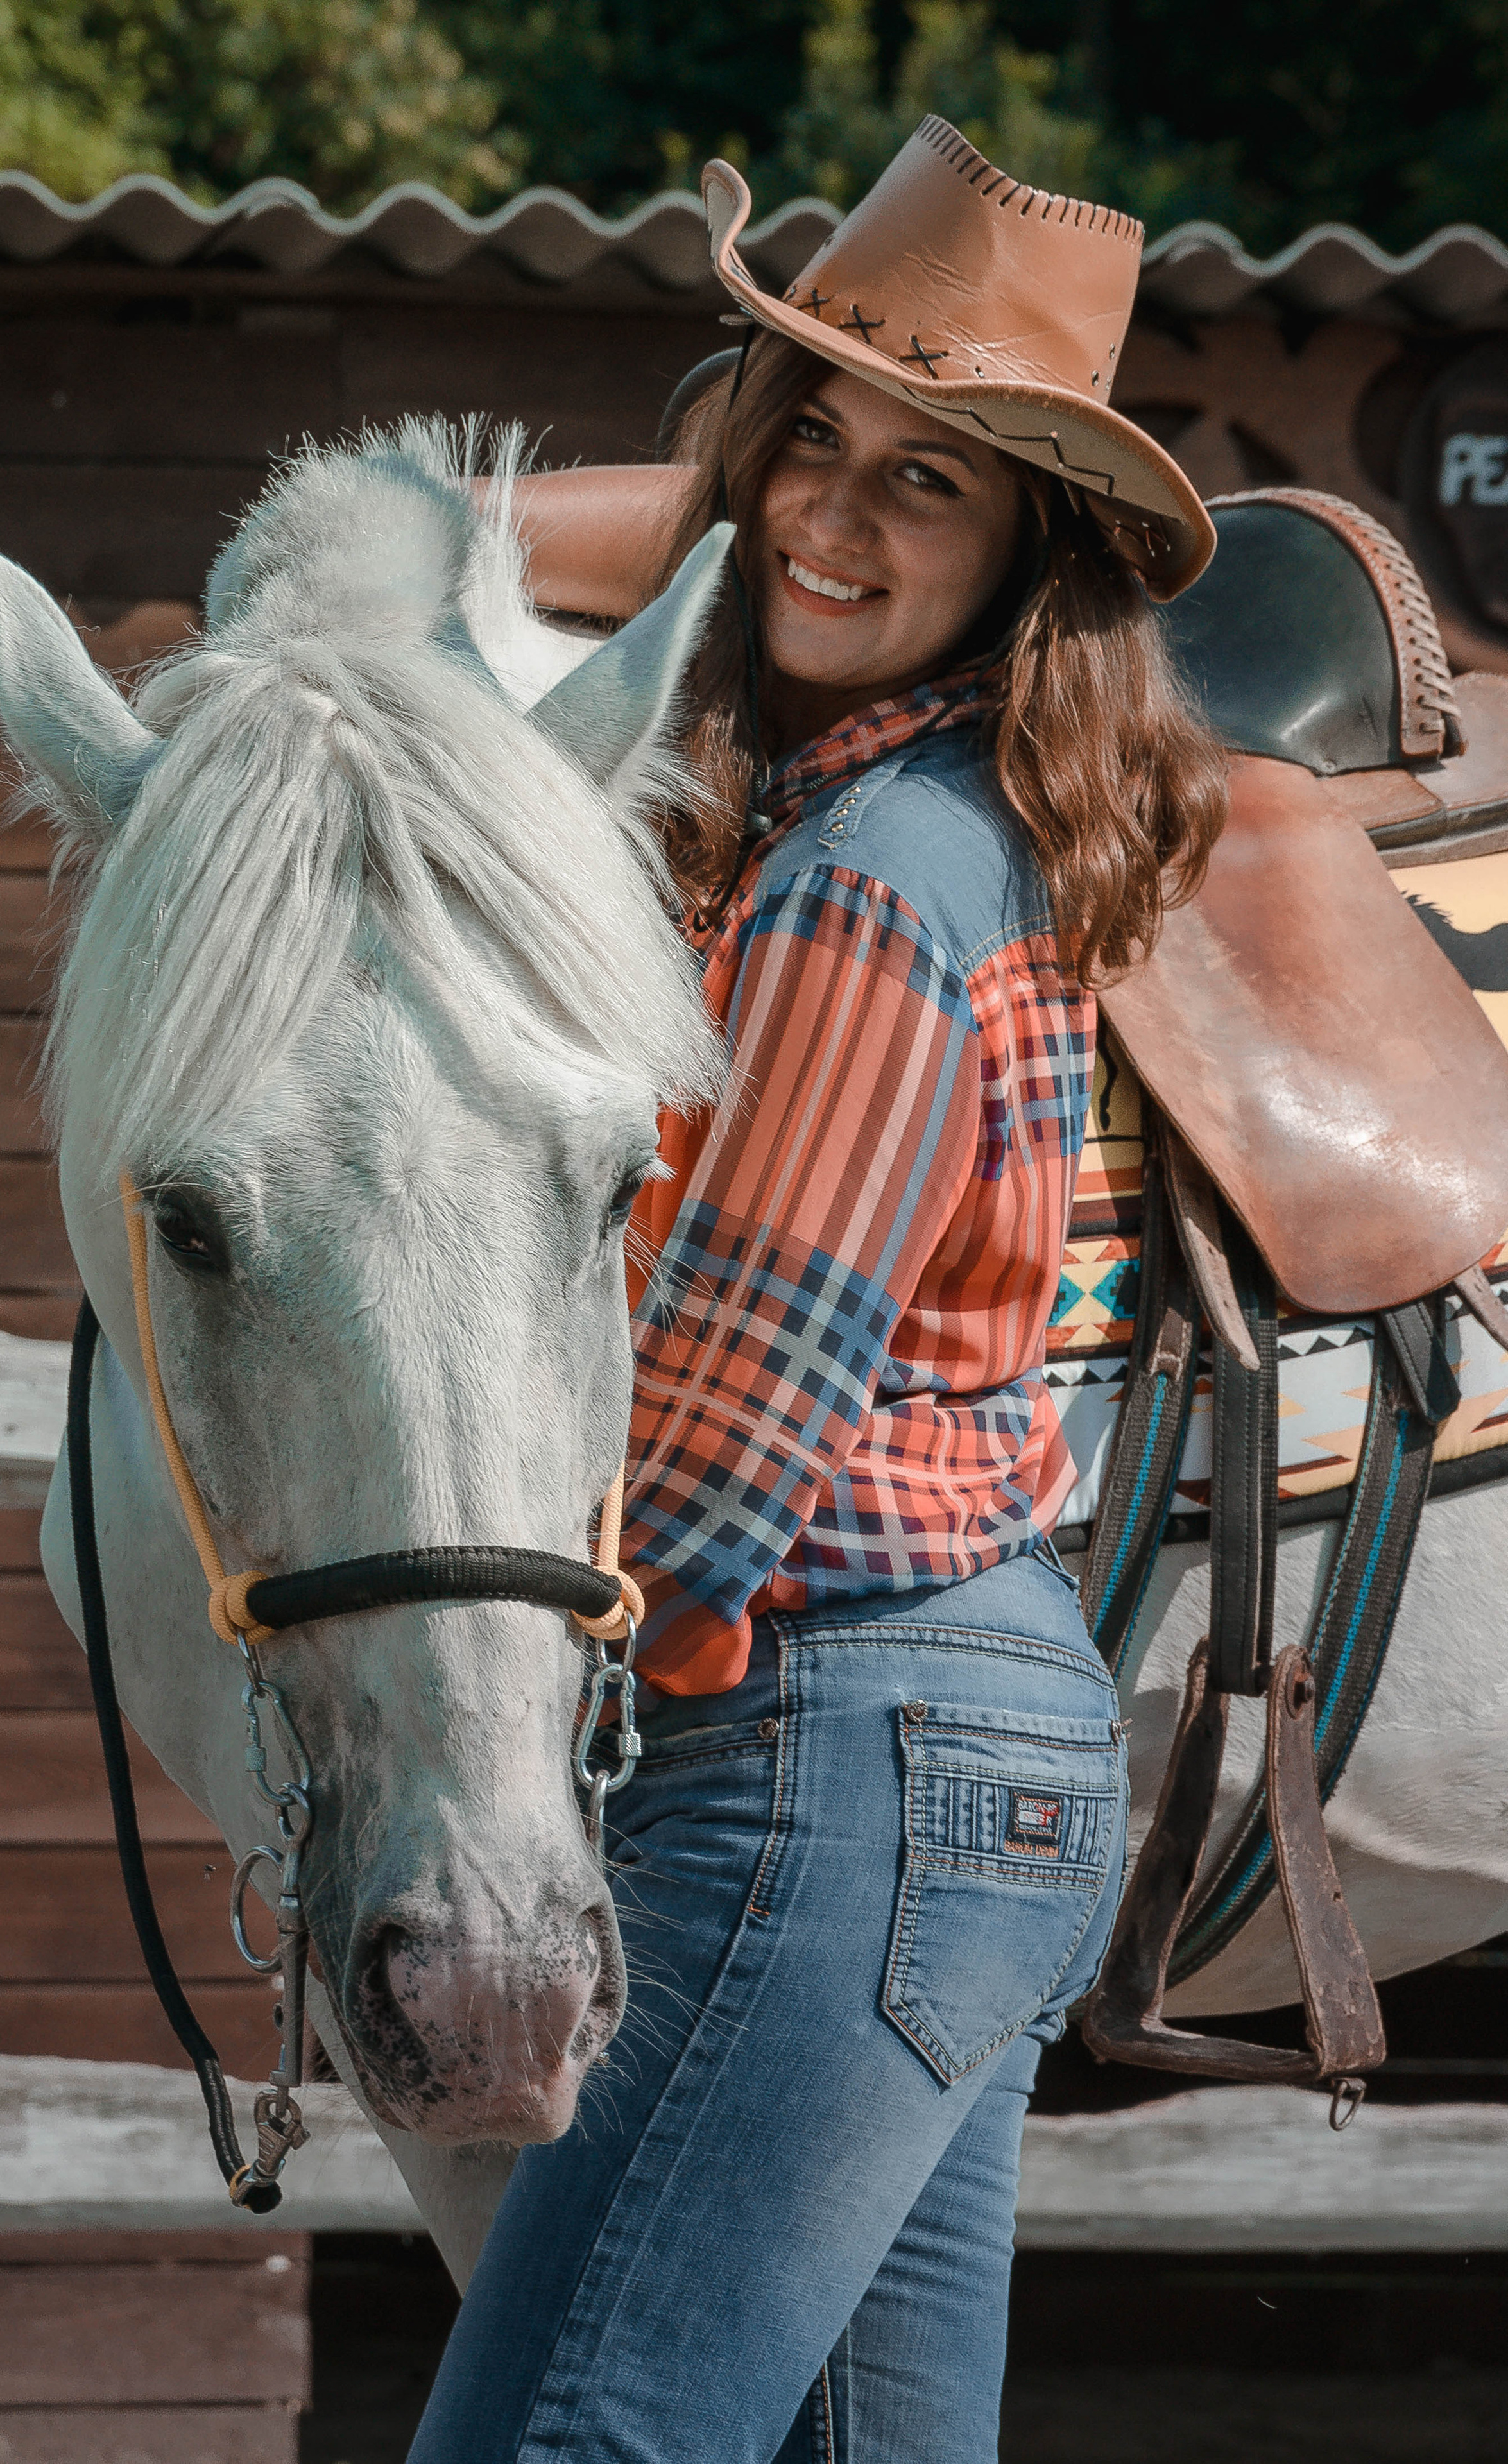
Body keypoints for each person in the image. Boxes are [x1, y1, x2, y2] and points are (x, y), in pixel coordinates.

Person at [412, 119, 1225, 2464]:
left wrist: (515, 1740)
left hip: (821, 1754)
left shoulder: (867, 875)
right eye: (818, 444)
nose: (833, 521)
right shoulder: (943, 825)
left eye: (931, 489)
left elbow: (721, 1432)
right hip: (959, 1756)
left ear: (1028, 563)